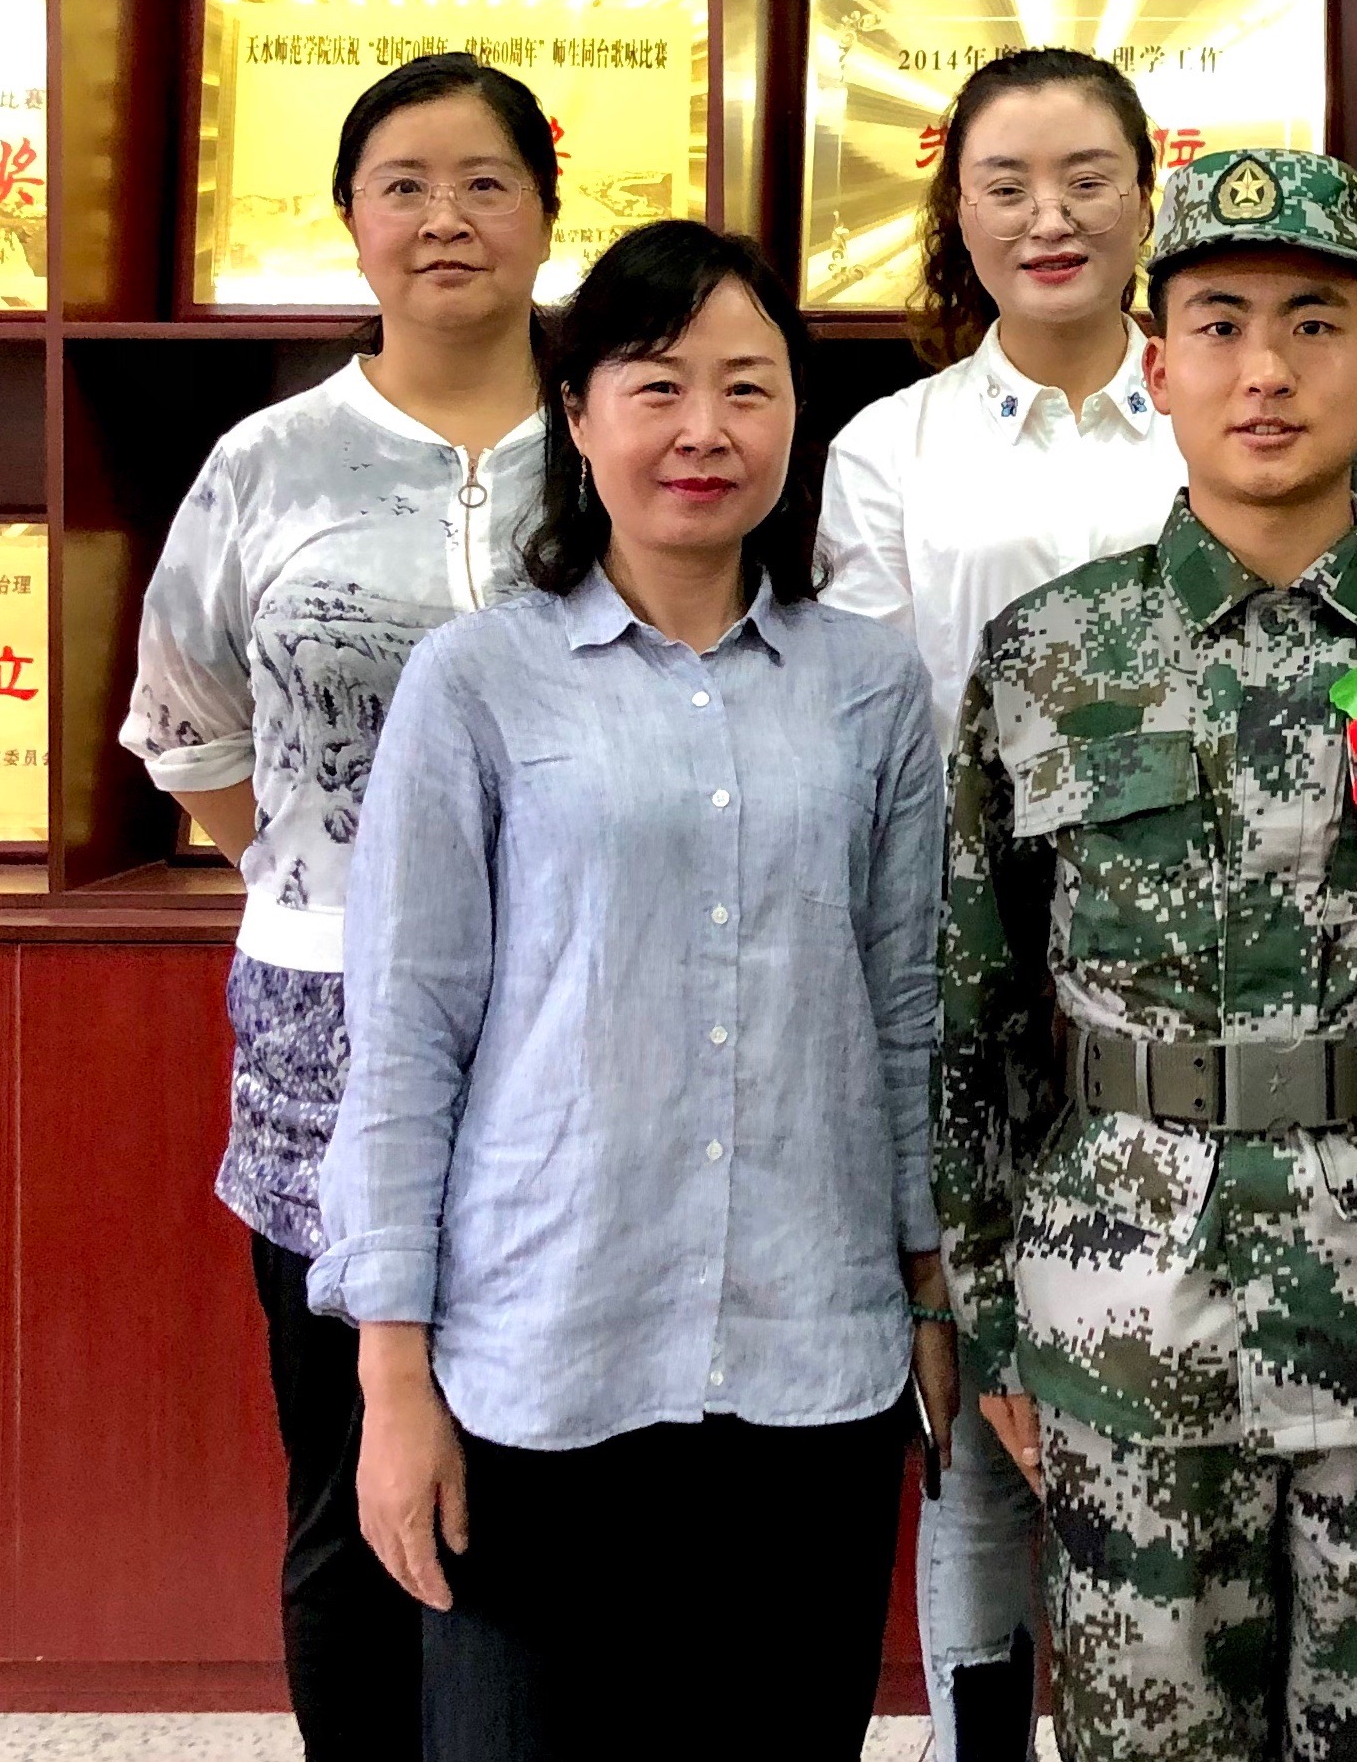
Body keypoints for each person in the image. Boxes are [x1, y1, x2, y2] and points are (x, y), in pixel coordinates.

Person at [931, 149, 1357, 1762]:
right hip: (1125, 1315)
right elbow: (976, 1017)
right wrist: (992, 1312)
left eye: (1312, 324)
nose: (1266, 369)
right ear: (1157, 369)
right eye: (1219, 325)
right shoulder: (1050, 656)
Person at [311, 222, 952, 1762]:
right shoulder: (477, 682)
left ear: (795, 419)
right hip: (542, 1357)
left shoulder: (871, 687)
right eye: (657, 385)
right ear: (578, 414)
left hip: (810, 1359)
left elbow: (905, 1011)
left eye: (747, 387)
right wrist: (392, 1377)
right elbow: (403, 1040)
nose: (702, 430)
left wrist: (929, 1290)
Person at [119, 50, 559, 1761]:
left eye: (484, 182)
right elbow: (188, 726)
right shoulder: (269, 460)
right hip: (329, 1020)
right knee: (350, 1458)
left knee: (545, 1446)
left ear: (547, 213)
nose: (445, 219)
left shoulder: (615, 435)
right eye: (404, 187)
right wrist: (325, 884)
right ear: (350, 222)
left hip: (573, 1002)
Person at [817, 45, 1184, 1759]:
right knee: (971, 1406)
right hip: (963, 975)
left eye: (1086, 178)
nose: (1050, 217)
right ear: (954, 211)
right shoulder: (889, 451)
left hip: (1188, 988)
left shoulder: (1219, 403)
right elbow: (877, 736)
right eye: (1007, 184)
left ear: (1144, 193)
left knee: (1160, 1381)